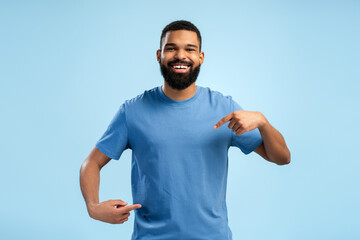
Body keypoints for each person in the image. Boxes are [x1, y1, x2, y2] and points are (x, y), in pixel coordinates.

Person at [80, 20, 290, 240]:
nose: (181, 55)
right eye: (172, 48)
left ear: (200, 57)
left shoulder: (224, 108)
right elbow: (91, 163)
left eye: (190, 49)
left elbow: (282, 157)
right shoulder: (131, 111)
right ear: (159, 55)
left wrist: (263, 122)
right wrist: (93, 207)